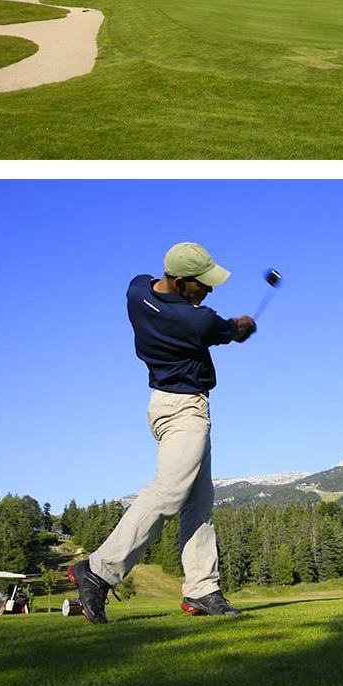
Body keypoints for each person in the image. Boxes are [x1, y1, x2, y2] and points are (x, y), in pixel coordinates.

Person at [68, 242, 257, 625]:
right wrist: (245, 326)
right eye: (202, 285)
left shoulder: (137, 291)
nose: (209, 291)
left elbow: (147, 283)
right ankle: (99, 570)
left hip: (166, 405)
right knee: (169, 494)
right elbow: (231, 331)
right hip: (184, 411)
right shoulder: (196, 321)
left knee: (198, 504)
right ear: (182, 281)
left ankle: (202, 589)